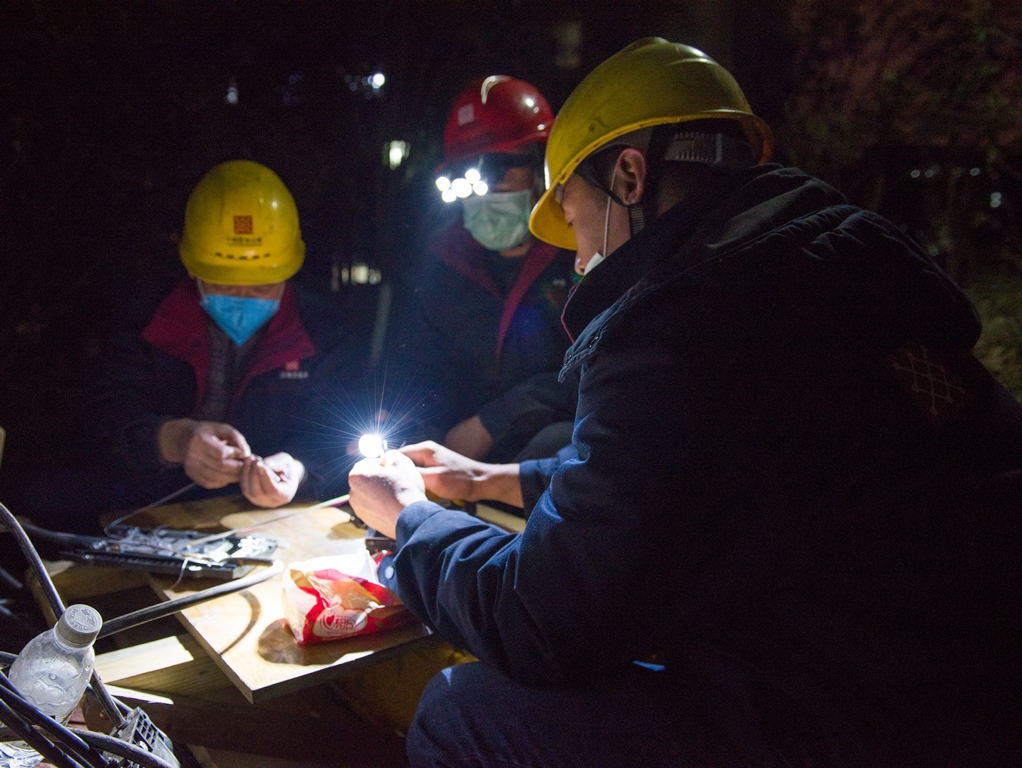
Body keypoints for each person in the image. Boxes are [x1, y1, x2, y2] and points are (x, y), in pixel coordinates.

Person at [348, 38, 1022, 766]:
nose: (577, 260)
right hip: (965, 685)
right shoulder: (825, 275)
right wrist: (485, 481)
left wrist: (410, 519)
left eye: (574, 221)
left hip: (865, 719)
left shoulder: (689, 326)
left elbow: (541, 621)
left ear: (631, 176)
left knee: (462, 714)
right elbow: (681, 478)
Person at [94, 160, 361, 511]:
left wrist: (298, 470)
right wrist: (176, 439)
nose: (242, 299)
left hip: (269, 515)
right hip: (152, 506)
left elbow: (339, 435)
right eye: (225, 283)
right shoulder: (148, 320)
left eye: (262, 286)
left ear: (288, 272)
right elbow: (104, 421)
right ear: (192, 267)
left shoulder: (322, 332)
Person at [393, 76, 577, 463]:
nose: (485, 190)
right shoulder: (443, 261)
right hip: (459, 457)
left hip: (544, 457)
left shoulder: (579, 251)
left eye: (498, 167)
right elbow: (420, 369)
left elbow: (595, 372)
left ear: (543, 166)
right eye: (467, 174)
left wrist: (495, 422)